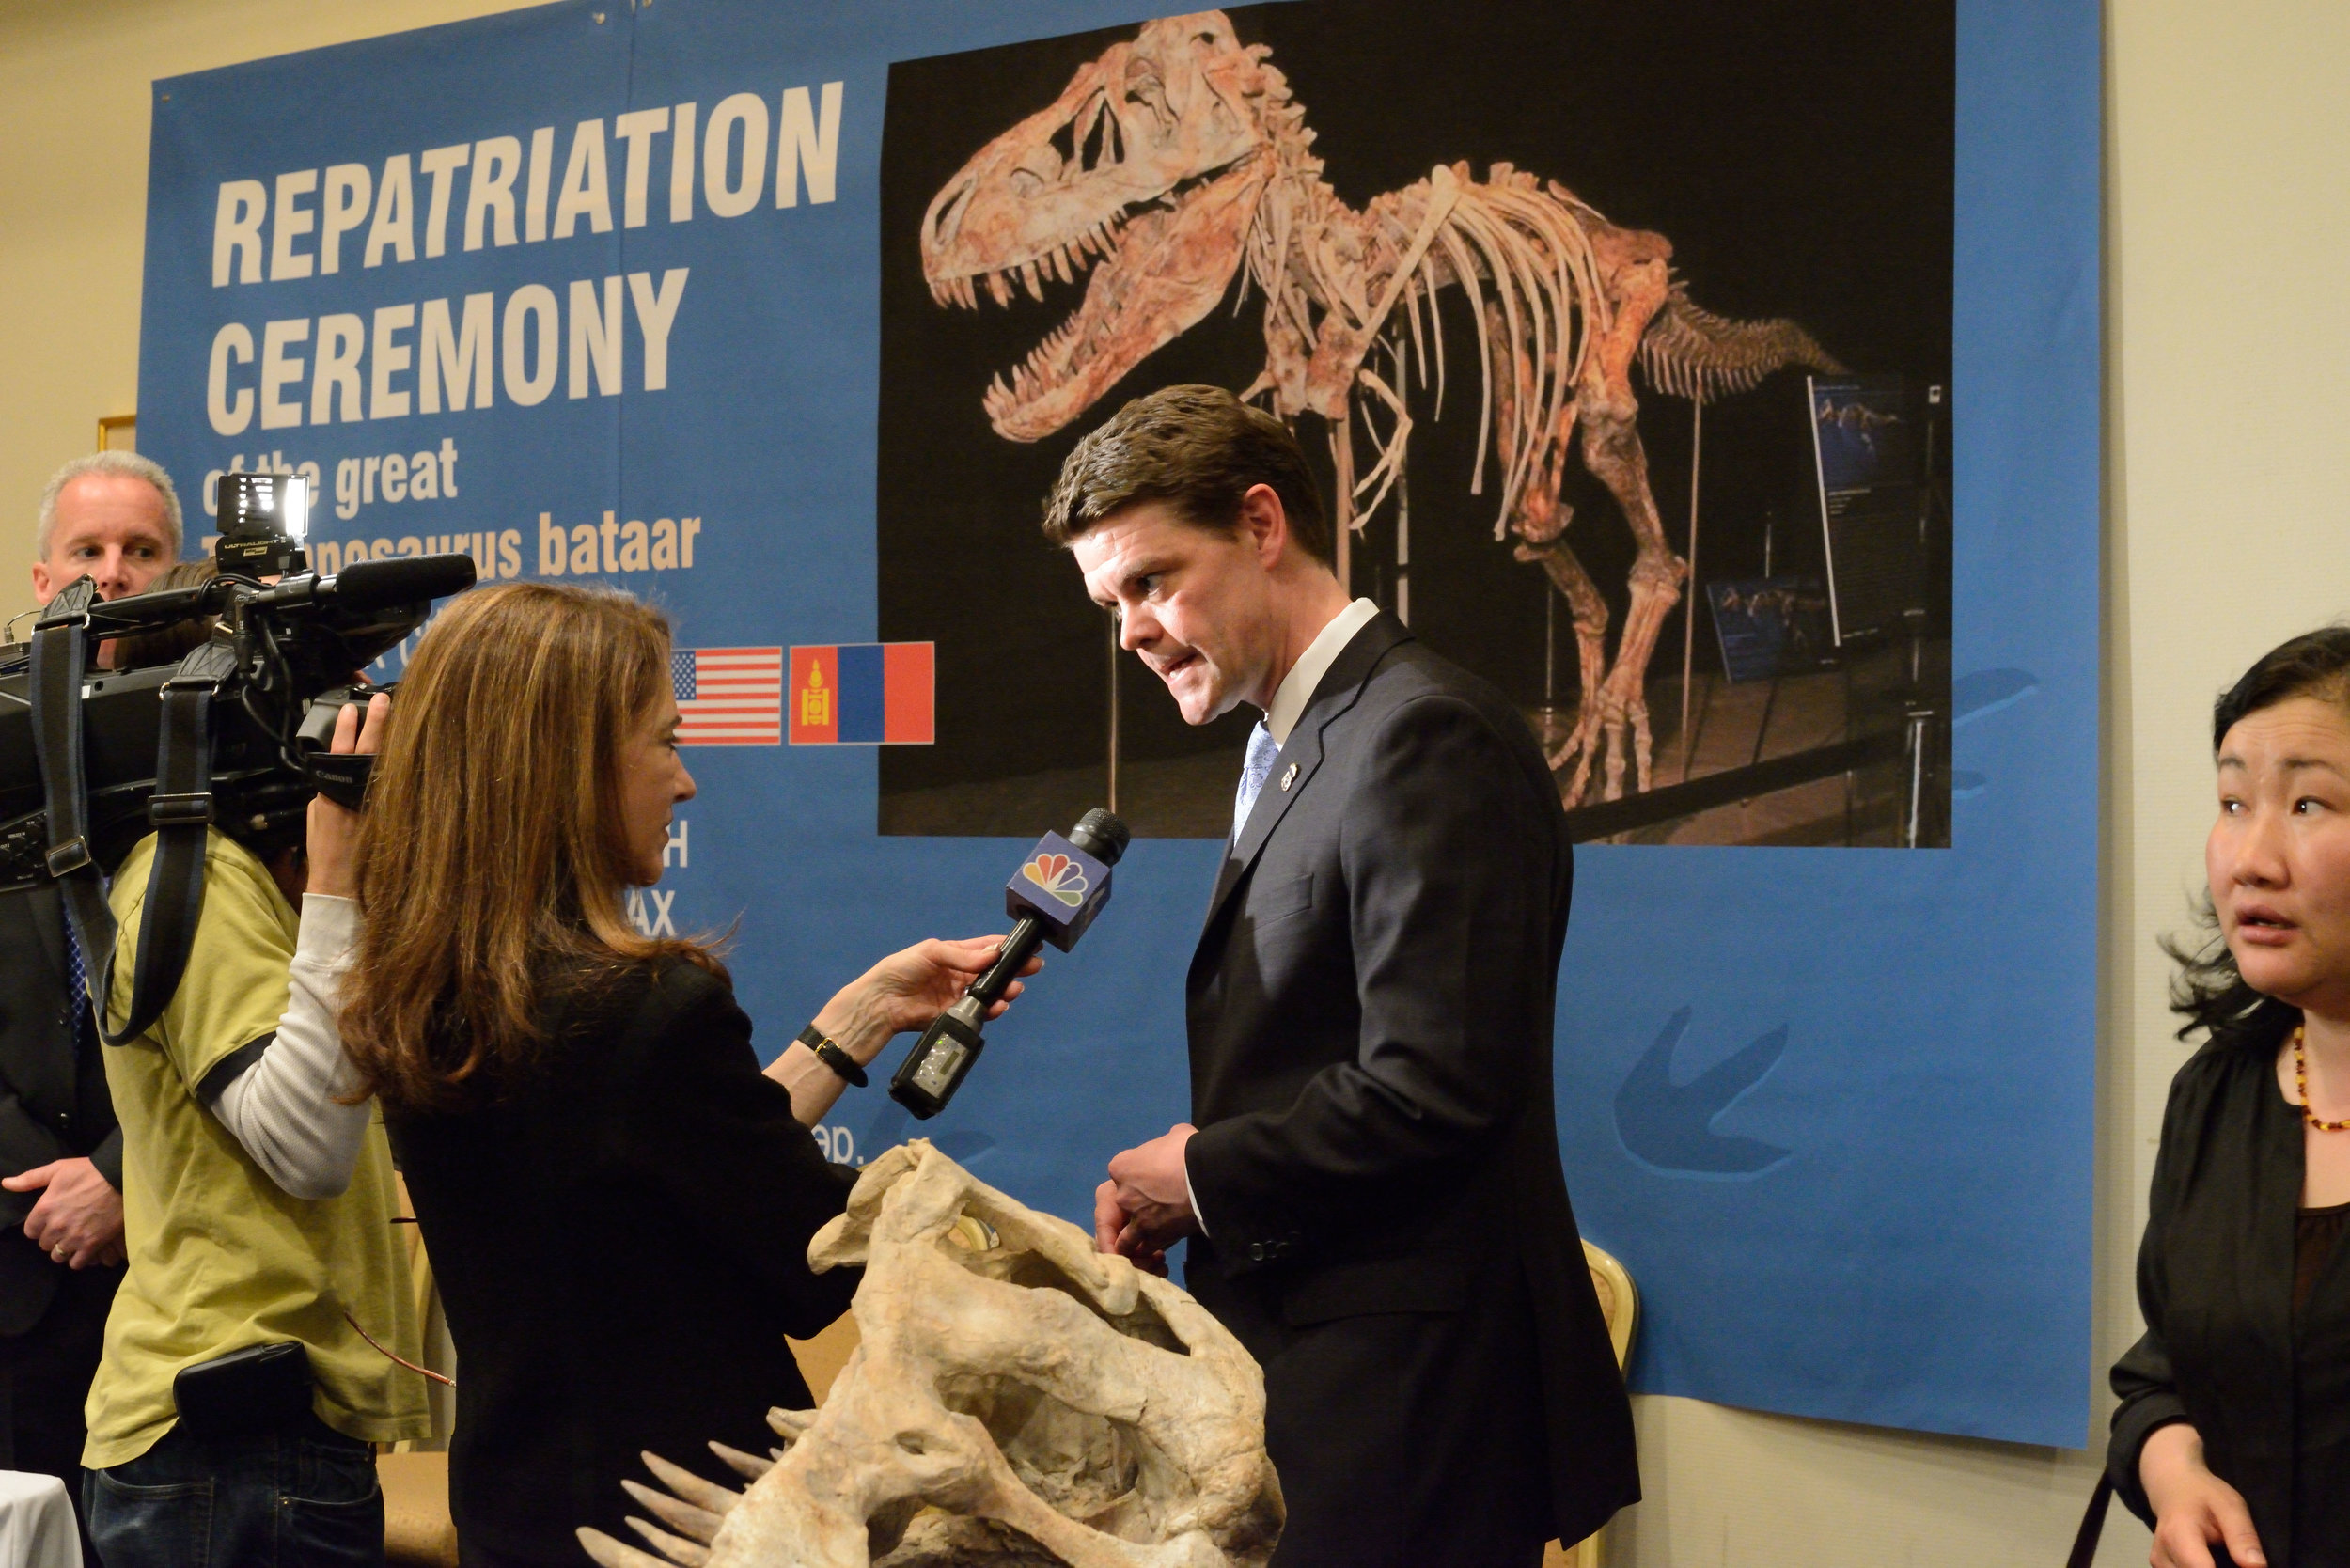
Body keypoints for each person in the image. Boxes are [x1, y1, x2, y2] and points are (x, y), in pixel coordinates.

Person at [335, 581, 1037, 1566]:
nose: (686, 780)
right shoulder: (643, 1012)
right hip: (695, 1529)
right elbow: (811, 1263)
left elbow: (662, 1169)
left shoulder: (428, 1000)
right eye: (665, 741)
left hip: (525, 1517)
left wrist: (860, 1018)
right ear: (570, 767)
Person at [1061, 384, 1637, 1567]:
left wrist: (1208, 1172)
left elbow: (1434, 1084)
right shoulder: (1295, 741)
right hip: (1323, 1370)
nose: (1131, 630)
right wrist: (1201, 1173)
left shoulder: (1423, 733)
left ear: (1263, 526)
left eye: (1151, 581)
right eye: (1108, 602)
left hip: (1413, 1406)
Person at [2109, 628, 2350, 1568]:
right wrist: (2176, 1482)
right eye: (2231, 802)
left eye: (2306, 803)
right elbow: (2161, 1371)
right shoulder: (2217, 1092)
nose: (2249, 857)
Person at [0, 448, 182, 1555]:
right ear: (41, 580)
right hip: (11, 1264)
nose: (112, 574)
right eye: (88, 551)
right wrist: (46, 1189)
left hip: (171, 1280)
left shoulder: (232, 747)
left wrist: (122, 1175)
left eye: (141, 552)